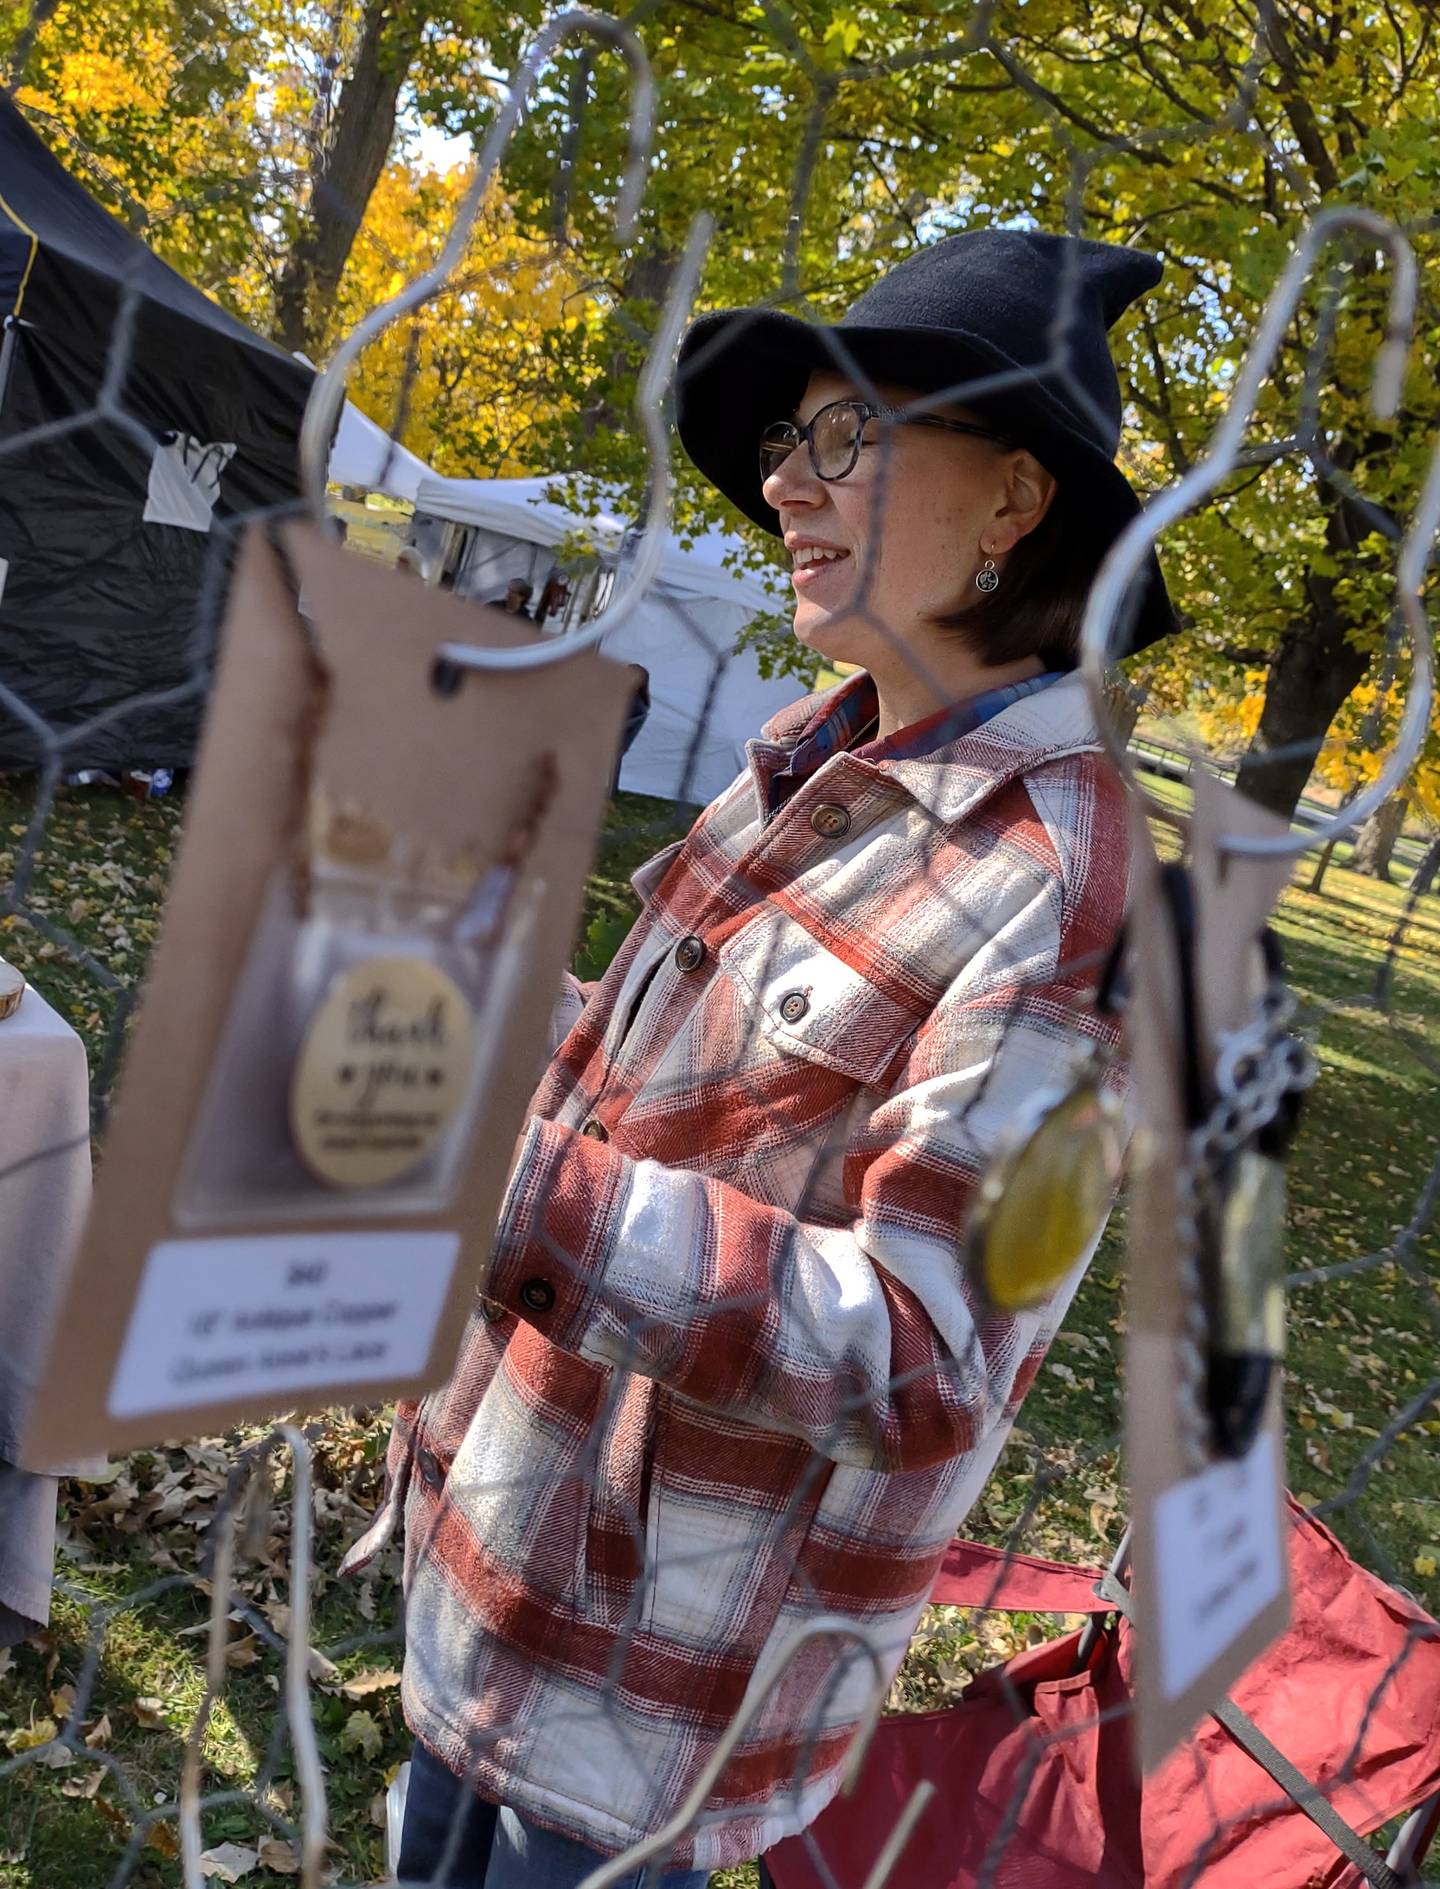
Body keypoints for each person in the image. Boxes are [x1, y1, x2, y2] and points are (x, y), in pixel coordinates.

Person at [344, 229, 1177, 1886]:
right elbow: (699, 1104)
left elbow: (928, 1356)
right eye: (791, 443)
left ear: (1015, 505)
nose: (789, 486)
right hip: (498, 1551)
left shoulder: (1066, 888)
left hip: (652, 1696)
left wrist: (508, 1184)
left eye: (847, 437)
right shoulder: (808, 754)